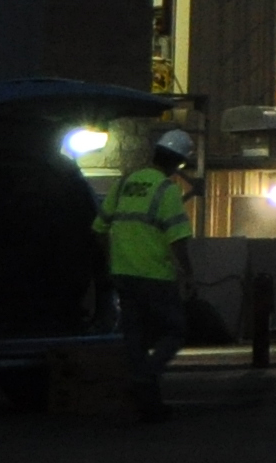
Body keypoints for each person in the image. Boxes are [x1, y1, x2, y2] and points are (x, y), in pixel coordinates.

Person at [97, 130, 199, 422]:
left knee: (136, 337)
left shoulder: (124, 183)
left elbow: (99, 229)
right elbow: (177, 237)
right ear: (179, 162)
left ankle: (148, 404)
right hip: (154, 274)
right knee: (175, 330)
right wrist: (188, 275)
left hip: (123, 273)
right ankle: (145, 377)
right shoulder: (166, 190)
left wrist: (110, 263)